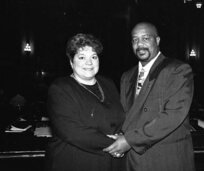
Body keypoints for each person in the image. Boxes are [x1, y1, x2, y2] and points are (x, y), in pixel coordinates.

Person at [103, 22, 195, 171]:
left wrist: (129, 140)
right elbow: (126, 116)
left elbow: (172, 116)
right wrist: (118, 136)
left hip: (165, 159)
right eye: (135, 40)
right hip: (133, 160)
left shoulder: (177, 70)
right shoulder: (127, 76)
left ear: (157, 41)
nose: (140, 44)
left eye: (145, 38)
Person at [44, 33, 125, 171]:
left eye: (93, 57)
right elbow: (73, 132)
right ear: (71, 62)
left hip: (111, 163)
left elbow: (120, 118)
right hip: (76, 162)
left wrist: (124, 135)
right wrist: (119, 144)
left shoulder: (108, 84)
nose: (89, 62)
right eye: (82, 57)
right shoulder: (60, 88)